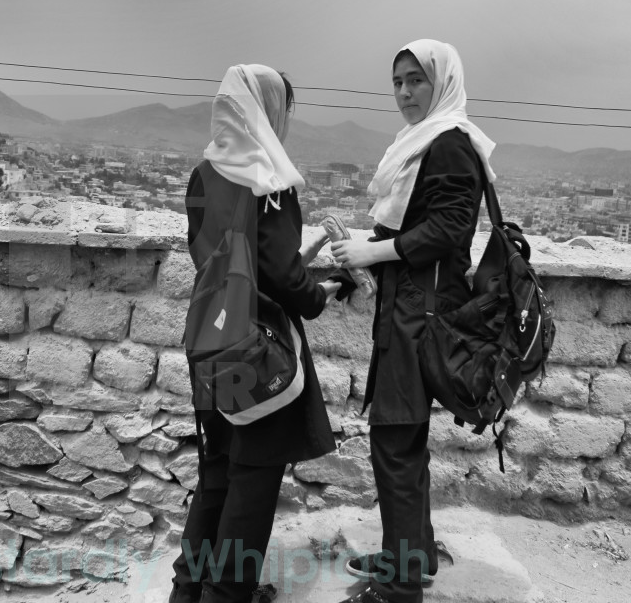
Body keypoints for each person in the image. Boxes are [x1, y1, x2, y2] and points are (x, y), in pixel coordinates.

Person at [170, 63, 347, 603]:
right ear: (270, 110)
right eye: (285, 108)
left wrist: (294, 261)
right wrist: (322, 293)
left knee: (216, 474)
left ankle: (187, 590)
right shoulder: (269, 178)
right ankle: (227, 596)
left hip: (209, 341)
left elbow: (227, 256)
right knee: (253, 482)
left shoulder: (205, 172)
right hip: (258, 350)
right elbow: (280, 277)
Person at [330, 40, 496, 603]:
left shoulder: (450, 144)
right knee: (406, 441)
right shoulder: (424, 142)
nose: (403, 92)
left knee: (395, 443)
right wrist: (350, 265)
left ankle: (399, 586)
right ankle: (414, 550)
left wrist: (373, 256)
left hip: (420, 317)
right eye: (397, 81)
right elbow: (396, 230)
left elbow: (449, 230)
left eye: (415, 81)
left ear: (441, 82)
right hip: (409, 309)